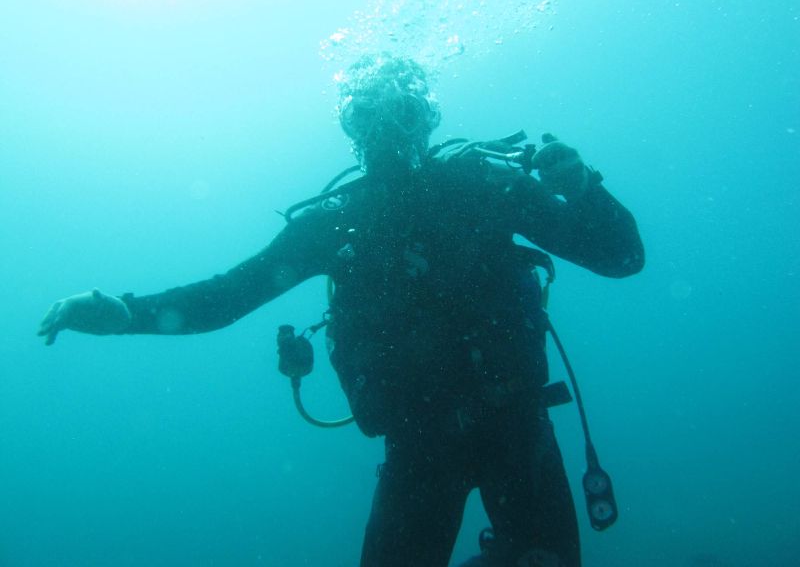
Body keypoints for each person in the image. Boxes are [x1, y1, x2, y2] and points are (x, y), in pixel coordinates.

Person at [38, 53, 644, 567]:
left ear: (427, 119)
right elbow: (226, 298)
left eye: (403, 114)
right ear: (350, 127)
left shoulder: (487, 186)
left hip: (516, 429)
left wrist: (583, 187)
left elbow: (621, 258)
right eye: (367, 116)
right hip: (417, 448)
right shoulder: (332, 224)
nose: (387, 131)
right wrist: (125, 314)